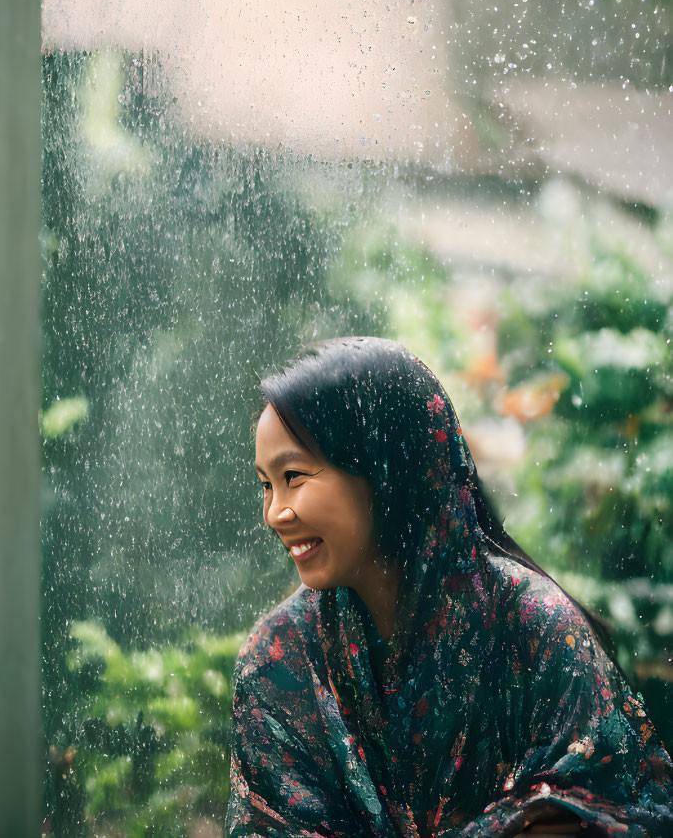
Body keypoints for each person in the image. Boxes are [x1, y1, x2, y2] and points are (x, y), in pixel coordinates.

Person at [228, 337, 673, 836]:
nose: (275, 513)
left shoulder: (536, 630)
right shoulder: (278, 659)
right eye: (266, 484)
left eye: (293, 476)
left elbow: (600, 807)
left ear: (387, 468)